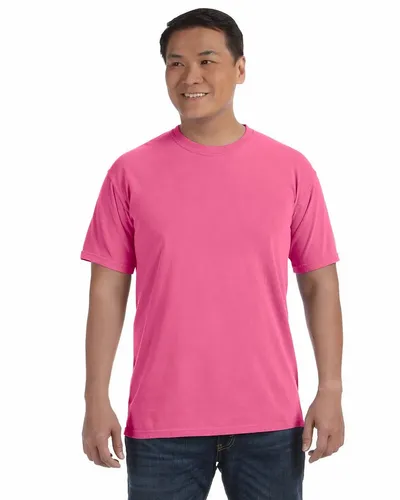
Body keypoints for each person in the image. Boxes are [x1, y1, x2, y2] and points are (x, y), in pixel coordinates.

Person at [80, 7, 345, 499]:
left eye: (207, 61)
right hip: (162, 421)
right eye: (176, 63)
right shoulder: (129, 173)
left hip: (270, 421)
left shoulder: (291, 169)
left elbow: (319, 283)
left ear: (240, 69)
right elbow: (106, 292)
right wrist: (96, 397)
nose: (191, 77)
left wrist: (330, 389)